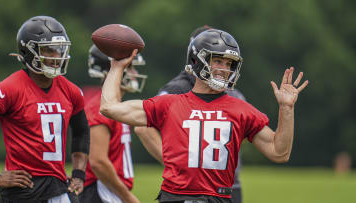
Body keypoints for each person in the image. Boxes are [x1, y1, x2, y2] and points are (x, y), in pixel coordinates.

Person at [100, 29, 308, 202]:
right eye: (218, 61)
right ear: (195, 61)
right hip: (176, 198)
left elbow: (279, 153)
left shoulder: (241, 109)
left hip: (219, 198)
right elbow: (109, 107)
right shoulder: (170, 103)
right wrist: (117, 67)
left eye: (229, 64)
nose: (224, 69)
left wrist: (286, 109)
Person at [134, 25, 244, 203]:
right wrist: (180, 167)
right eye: (216, 58)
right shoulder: (179, 88)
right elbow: (143, 127)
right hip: (195, 189)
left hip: (227, 185)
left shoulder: (229, 91)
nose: (223, 67)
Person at [0, 16, 90, 203]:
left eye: (60, 50)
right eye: (49, 50)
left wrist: (79, 174)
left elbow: (81, 131)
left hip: (59, 188)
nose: (57, 57)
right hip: (23, 191)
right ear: (28, 51)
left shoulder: (70, 90)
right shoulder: (9, 89)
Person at [79, 45, 147, 203]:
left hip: (108, 192)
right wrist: (127, 197)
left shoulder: (117, 107)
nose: (135, 74)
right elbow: (98, 161)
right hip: (100, 193)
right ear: (110, 68)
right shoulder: (99, 108)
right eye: (130, 68)